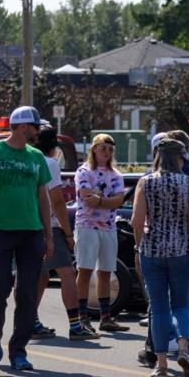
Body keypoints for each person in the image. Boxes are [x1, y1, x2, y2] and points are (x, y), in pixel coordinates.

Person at [0, 105, 54, 370]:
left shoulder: (37, 157)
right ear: (22, 126)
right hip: (1, 232)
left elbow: (43, 197)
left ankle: (19, 351)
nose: (38, 132)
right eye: (36, 127)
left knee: (27, 294)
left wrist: (49, 236)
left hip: (31, 234)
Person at [136, 130, 189, 372]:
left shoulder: (146, 181)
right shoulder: (188, 182)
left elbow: (137, 220)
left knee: (159, 306)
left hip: (151, 250)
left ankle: (161, 365)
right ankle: (184, 348)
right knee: (181, 304)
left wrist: (137, 246)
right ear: (180, 157)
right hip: (182, 250)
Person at [32, 125, 97, 341]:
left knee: (39, 276)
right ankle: (75, 325)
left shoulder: (27, 160)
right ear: (53, 146)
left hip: (29, 225)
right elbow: (58, 202)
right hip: (49, 225)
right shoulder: (49, 163)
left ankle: (30, 320)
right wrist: (68, 234)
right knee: (67, 273)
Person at [74, 134, 128, 333]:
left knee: (105, 271)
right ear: (94, 149)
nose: (106, 152)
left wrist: (100, 201)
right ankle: (82, 317)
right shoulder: (84, 172)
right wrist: (106, 200)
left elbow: (119, 200)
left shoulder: (116, 175)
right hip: (87, 224)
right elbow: (86, 197)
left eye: (110, 149)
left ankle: (106, 317)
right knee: (85, 270)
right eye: (103, 148)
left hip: (108, 226)